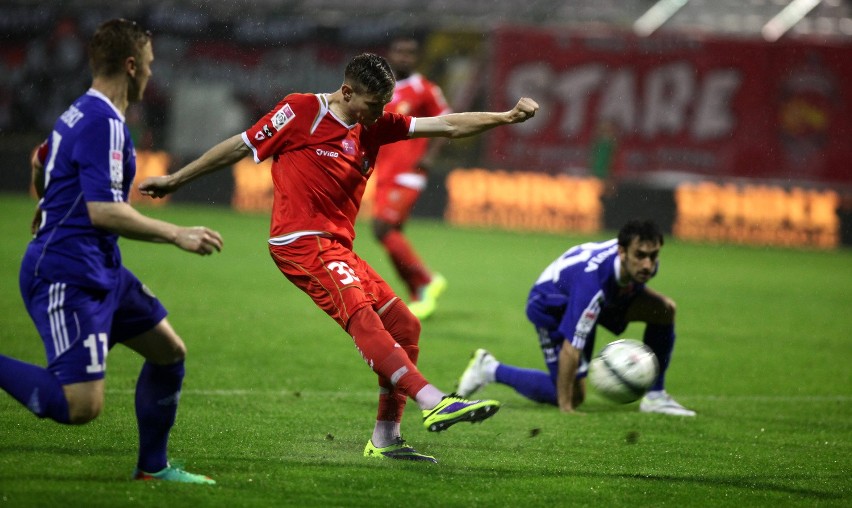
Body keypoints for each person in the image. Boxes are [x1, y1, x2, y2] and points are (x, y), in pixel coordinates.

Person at [139, 53, 539, 462]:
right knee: (362, 315)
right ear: (347, 92)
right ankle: (433, 399)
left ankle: (385, 439)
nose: (380, 114)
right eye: (373, 105)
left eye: (384, 106)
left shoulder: (376, 125)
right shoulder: (301, 110)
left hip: (335, 247)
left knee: (405, 324)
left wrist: (506, 117)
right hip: (299, 240)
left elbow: (449, 125)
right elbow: (239, 147)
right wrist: (175, 179)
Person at [0, 19, 222, 484]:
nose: (150, 74)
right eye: (148, 64)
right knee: (81, 406)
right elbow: (104, 212)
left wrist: (46, 202)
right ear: (130, 64)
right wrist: (175, 233)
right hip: (65, 272)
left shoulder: (81, 113)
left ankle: (153, 468)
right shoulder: (102, 122)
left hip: (100, 266)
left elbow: (40, 159)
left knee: (168, 352)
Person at [457, 219, 696, 417]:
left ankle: (655, 396)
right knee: (574, 394)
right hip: (551, 306)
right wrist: (566, 407)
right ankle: (489, 368)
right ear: (621, 252)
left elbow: (627, 285)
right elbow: (571, 349)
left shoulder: (643, 266)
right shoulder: (591, 285)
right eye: (640, 255)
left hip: (605, 297)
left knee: (664, 310)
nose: (647, 264)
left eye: (653, 256)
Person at [371, 34, 451, 320]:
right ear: (390, 54)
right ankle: (418, 293)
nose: (404, 57)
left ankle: (426, 281)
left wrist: (430, 156)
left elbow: (447, 120)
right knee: (390, 233)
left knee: (382, 228)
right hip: (385, 172)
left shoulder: (424, 89)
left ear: (416, 57)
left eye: (410, 52)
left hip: (408, 172)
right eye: (400, 51)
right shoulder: (380, 89)